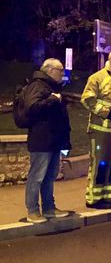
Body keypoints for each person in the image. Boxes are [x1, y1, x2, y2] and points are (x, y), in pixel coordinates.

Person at [22, 58, 71, 223]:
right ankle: (33, 211)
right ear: (50, 71)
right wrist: (53, 99)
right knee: (37, 177)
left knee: (49, 176)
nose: (63, 74)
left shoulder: (49, 87)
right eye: (60, 71)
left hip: (52, 139)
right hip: (41, 140)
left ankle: (49, 208)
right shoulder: (37, 86)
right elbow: (32, 107)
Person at [81, 49, 111, 209]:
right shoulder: (97, 78)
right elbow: (87, 99)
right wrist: (106, 112)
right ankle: (94, 199)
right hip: (100, 130)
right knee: (100, 164)